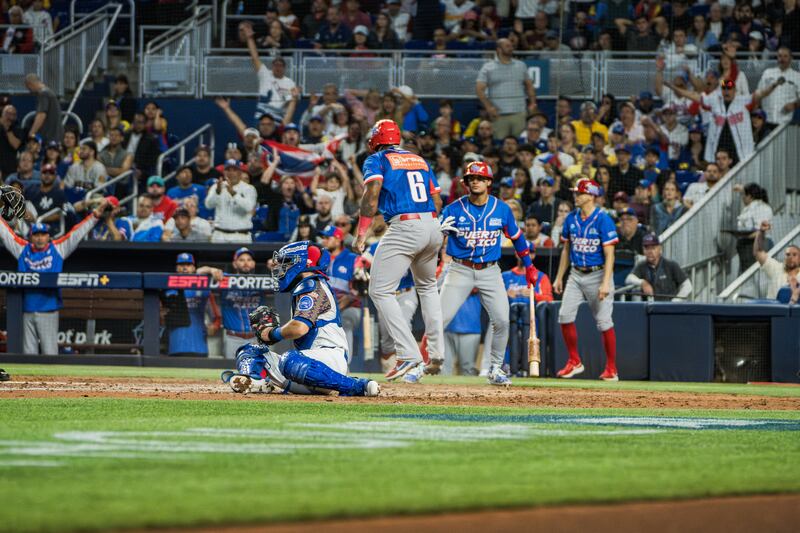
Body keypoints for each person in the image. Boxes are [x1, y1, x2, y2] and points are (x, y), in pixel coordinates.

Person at [431, 160, 537, 386]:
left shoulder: (502, 209)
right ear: (466, 182)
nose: (475, 181)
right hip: (460, 269)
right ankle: (425, 362)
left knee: (501, 320)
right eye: (472, 178)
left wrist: (529, 266)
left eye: (480, 178)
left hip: (490, 270)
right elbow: (432, 242)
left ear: (489, 182)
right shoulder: (453, 209)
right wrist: (438, 233)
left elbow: (517, 238)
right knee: (438, 319)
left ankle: (496, 368)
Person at [226, 242, 379, 396]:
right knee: (250, 351)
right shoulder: (305, 287)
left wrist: (272, 333)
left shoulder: (312, 286)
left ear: (302, 263)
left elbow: (299, 328)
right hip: (307, 369)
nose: (280, 269)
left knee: (289, 359)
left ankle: (356, 385)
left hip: (330, 360)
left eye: (286, 263)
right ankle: (257, 381)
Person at [355, 119, 444, 383]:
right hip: (431, 223)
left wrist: (362, 232)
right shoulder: (418, 159)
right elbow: (436, 199)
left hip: (405, 225)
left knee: (379, 290)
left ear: (376, 139)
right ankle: (436, 352)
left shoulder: (378, 159)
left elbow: (372, 196)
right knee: (427, 287)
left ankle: (408, 354)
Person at [0, 198, 109, 355]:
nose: (39, 238)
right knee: (28, 353)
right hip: (27, 308)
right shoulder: (22, 249)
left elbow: (76, 233)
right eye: (36, 235)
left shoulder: (58, 248)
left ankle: (51, 380)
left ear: (48, 236)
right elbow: (5, 233)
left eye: (43, 234)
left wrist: (95, 215)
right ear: (31, 237)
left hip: (49, 309)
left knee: (49, 352)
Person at [552, 179, 619, 381]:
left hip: (598, 274)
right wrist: (559, 277)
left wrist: (606, 282)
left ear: (591, 195)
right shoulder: (571, 218)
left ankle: (612, 369)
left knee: (604, 322)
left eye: (580, 193)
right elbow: (566, 249)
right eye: (575, 193)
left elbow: (610, 254)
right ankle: (574, 361)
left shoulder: (603, 219)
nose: (576, 196)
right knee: (564, 315)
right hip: (576, 273)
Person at [665, 76, 784, 164]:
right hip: (719, 148)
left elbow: (762, 93)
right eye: (724, 88)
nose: (727, 91)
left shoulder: (744, 101)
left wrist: (774, 85)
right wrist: (673, 87)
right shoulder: (714, 101)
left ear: (734, 90)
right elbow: (692, 95)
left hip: (739, 150)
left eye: (729, 88)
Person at [502, 242, 553, 377]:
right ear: (516, 253)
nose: (525, 255)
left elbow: (549, 299)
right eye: (522, 251)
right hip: (508, 320)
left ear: (534, 255)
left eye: (529, 252)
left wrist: (534, 295)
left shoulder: (540, 276)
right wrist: (505, 294)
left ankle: (528, 369)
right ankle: (503, 368)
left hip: (531, 322)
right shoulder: (506, 276)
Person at [476, 38, 538, 140]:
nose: (511, 48)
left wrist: (533, 103)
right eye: (507, 46)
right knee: (500, 145)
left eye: (511, 46)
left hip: (519, 114)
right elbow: (479, 89)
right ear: (499, 49)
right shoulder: (488, 67)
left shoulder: (521, 65)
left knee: (520, 144)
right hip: (499, 116)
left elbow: (529, 86)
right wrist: (489, 107)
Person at [239, 23, 299, 124]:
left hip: (278, 119)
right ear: (272, 66)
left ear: (285, 68)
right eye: (276, 65)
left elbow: (289, 106)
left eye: (280, 65)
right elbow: (255, 57)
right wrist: (250, 39)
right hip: (261, 117)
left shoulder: (290, 83)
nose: (278, 67)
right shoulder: (265, 74)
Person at [319, 224, 361, 357]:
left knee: (345, 322)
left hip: (349, 306)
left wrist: (346, 301)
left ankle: (345, 364)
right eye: (323, 237)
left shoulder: (353, 258)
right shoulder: (319, 259)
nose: (323, 241)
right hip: (324, 306)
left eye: (327, 238)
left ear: (338, 240)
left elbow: (359, 289)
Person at [168, 253, 221, 357]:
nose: (184, 267)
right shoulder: (169, 289)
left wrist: (214, 326)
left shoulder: (203, 289)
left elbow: (216, 315)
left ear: (193, 267)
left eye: (188, 265)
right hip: (176, 344)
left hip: (199, 345)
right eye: (181, 264)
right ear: (176, 268)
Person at [626, 233, 692, 301]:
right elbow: (629, 278)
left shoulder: (671, 265)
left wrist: (675, 301)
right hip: (649, 308)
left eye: (653, 248)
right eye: (647, 248)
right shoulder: (641, 265)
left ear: (659, 248)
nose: (650, 251)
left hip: (668, 307)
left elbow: (687, 286)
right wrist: (642, 282)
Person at [205, 159, 257, 243]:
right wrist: (217, 192)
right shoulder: (217, 186)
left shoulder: (249, 188)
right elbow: (208, 205)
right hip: (220, 235)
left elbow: (249, 208)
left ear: (240, 172)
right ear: (224, 172)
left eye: (234, 170)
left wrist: (234, 194)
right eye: (228, 170)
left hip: (241, 235)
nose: (231, 173)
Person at [754, 222, 800, 300]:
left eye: (794, 254)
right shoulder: (776, 268)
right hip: (773, 311)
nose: (791, 257)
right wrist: (761, 232)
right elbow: (758, 252)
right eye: (788, 254)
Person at [734, 183, 773, 272]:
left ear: (750, 196)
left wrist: (744, 235)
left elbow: (761, 230)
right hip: (746, 245)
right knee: (745, 274)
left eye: (743, 195)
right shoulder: (747, 208)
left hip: (759, 244)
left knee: (757, 273)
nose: (742, 198)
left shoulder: (762, 207)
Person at [24, 74, 63, 146]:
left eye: (28, 88)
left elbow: (41, 115)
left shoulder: (43, 94)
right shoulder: (49, 92)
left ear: (30, 84)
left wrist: (32, 132)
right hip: (55, 136)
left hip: (49, 137)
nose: (29, 91)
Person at [124, 112, 161, 180]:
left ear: (145, 124)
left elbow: (152, 162)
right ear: (133, 123)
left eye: (141, 122)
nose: (138, 125)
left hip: (138, 170)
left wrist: (143, 173)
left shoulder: (151, 140)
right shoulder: (126, 135)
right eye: (136, 122)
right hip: (122, 166)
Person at [0, 105, 24, 180]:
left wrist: (7, 129)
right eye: (7, 113)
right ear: (2, 114)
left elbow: (15, 145)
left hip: (9, 168)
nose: (9, 117)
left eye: (12, 114)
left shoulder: (17, 129)